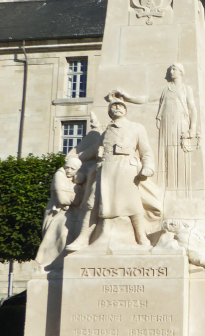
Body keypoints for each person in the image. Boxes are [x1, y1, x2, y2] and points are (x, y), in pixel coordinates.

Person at [67, 92, 158, 249]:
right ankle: (83, 238)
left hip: (127, 169)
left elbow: (146, 151)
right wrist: (76, 157)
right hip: (105, 169)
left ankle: (141, 236)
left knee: (133, 203)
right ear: (109, 112)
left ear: (125, 110)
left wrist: (148, 167)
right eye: (114, 106)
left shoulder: (136, 128)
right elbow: (94, 150)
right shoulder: (106, 132)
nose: (117, 108)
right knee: (92, 203)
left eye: (120, 106)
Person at [116, 64, 198, 190]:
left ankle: (180, 187)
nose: (171, 71)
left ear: (181, 72)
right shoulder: (165, 89)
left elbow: (192, 108)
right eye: (170, 69)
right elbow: (147, 99)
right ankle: (166, 186)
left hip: (181, 124)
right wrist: (128, 98)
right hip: (166, 123)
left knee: (180, 155)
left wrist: (192, 129)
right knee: (166, 154)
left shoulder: (186, 89)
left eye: (174, 69)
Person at [35, 156, 83, 265]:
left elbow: (77, 201)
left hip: (72, 214)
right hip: (57, 213)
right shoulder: (59, 176)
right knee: (61, 235)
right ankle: (54, 264)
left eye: (72, 169)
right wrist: (72, 198)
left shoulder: (78, 182)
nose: (69, 171)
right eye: (67, 168)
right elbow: (63, 200)